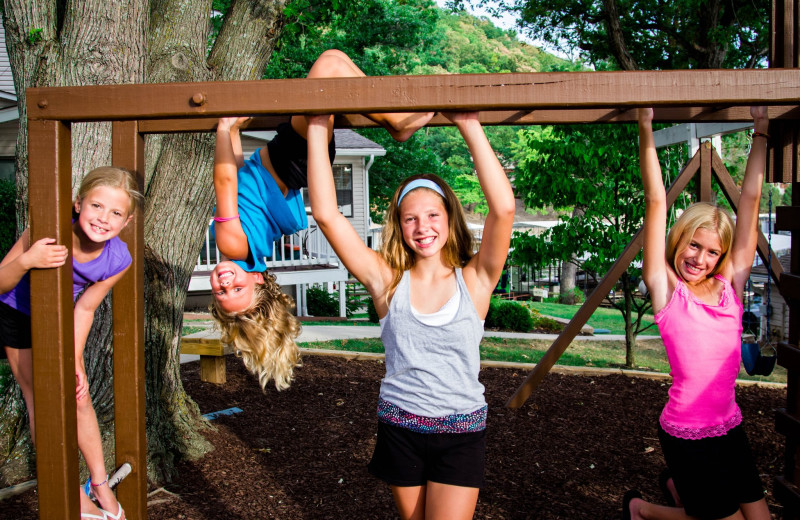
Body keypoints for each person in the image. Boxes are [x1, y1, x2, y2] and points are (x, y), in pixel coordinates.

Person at [306, 110, 515, 519]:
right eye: (411, 218)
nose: (423, 227)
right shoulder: (387, 281)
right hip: (400, 428)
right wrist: (318, 122)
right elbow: (328, 216)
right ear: (400, 227)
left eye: (432, 215)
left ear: (450, 219)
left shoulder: (475, 280)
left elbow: (503, 210)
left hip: (460, 431)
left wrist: (469, 125)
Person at [209, 49, 433, 392]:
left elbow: (239, 183)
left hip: (295, 165)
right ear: (256, 279)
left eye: (222, 292)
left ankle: (395, 119)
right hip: (290, 159)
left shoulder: (250, 253)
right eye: (237, 288)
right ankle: (397, 120)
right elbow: (225, 182)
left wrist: (232, 132)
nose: (225, 281)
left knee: (335, 64)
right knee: (328, 65)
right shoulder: (231, 245)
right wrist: (223, 129)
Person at [623, 106, 771, 520]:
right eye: (693, 244)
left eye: (711, 252)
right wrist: (645, 127)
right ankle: (641, 509)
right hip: (686, 434)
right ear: (679, 239)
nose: (699, 258)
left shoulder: (730, 288)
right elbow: (656, 201)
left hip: (730, 426)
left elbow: (752, 200)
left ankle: (679, 491)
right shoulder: (667, 289)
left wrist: (760, 134)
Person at [0, 166, 142, 520]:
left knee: (79, 396)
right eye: (96, 206)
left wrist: (75, 360)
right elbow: (1, 281)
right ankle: (70, 491)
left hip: (60, 321)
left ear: (127, 222)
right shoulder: (49, 229)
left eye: (115, 213)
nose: (103, 218)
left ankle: (99, 484)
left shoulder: (119, 258)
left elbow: (86, 307)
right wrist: (28, 260)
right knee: (41, 402)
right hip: (15, 314)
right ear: (78, 204)